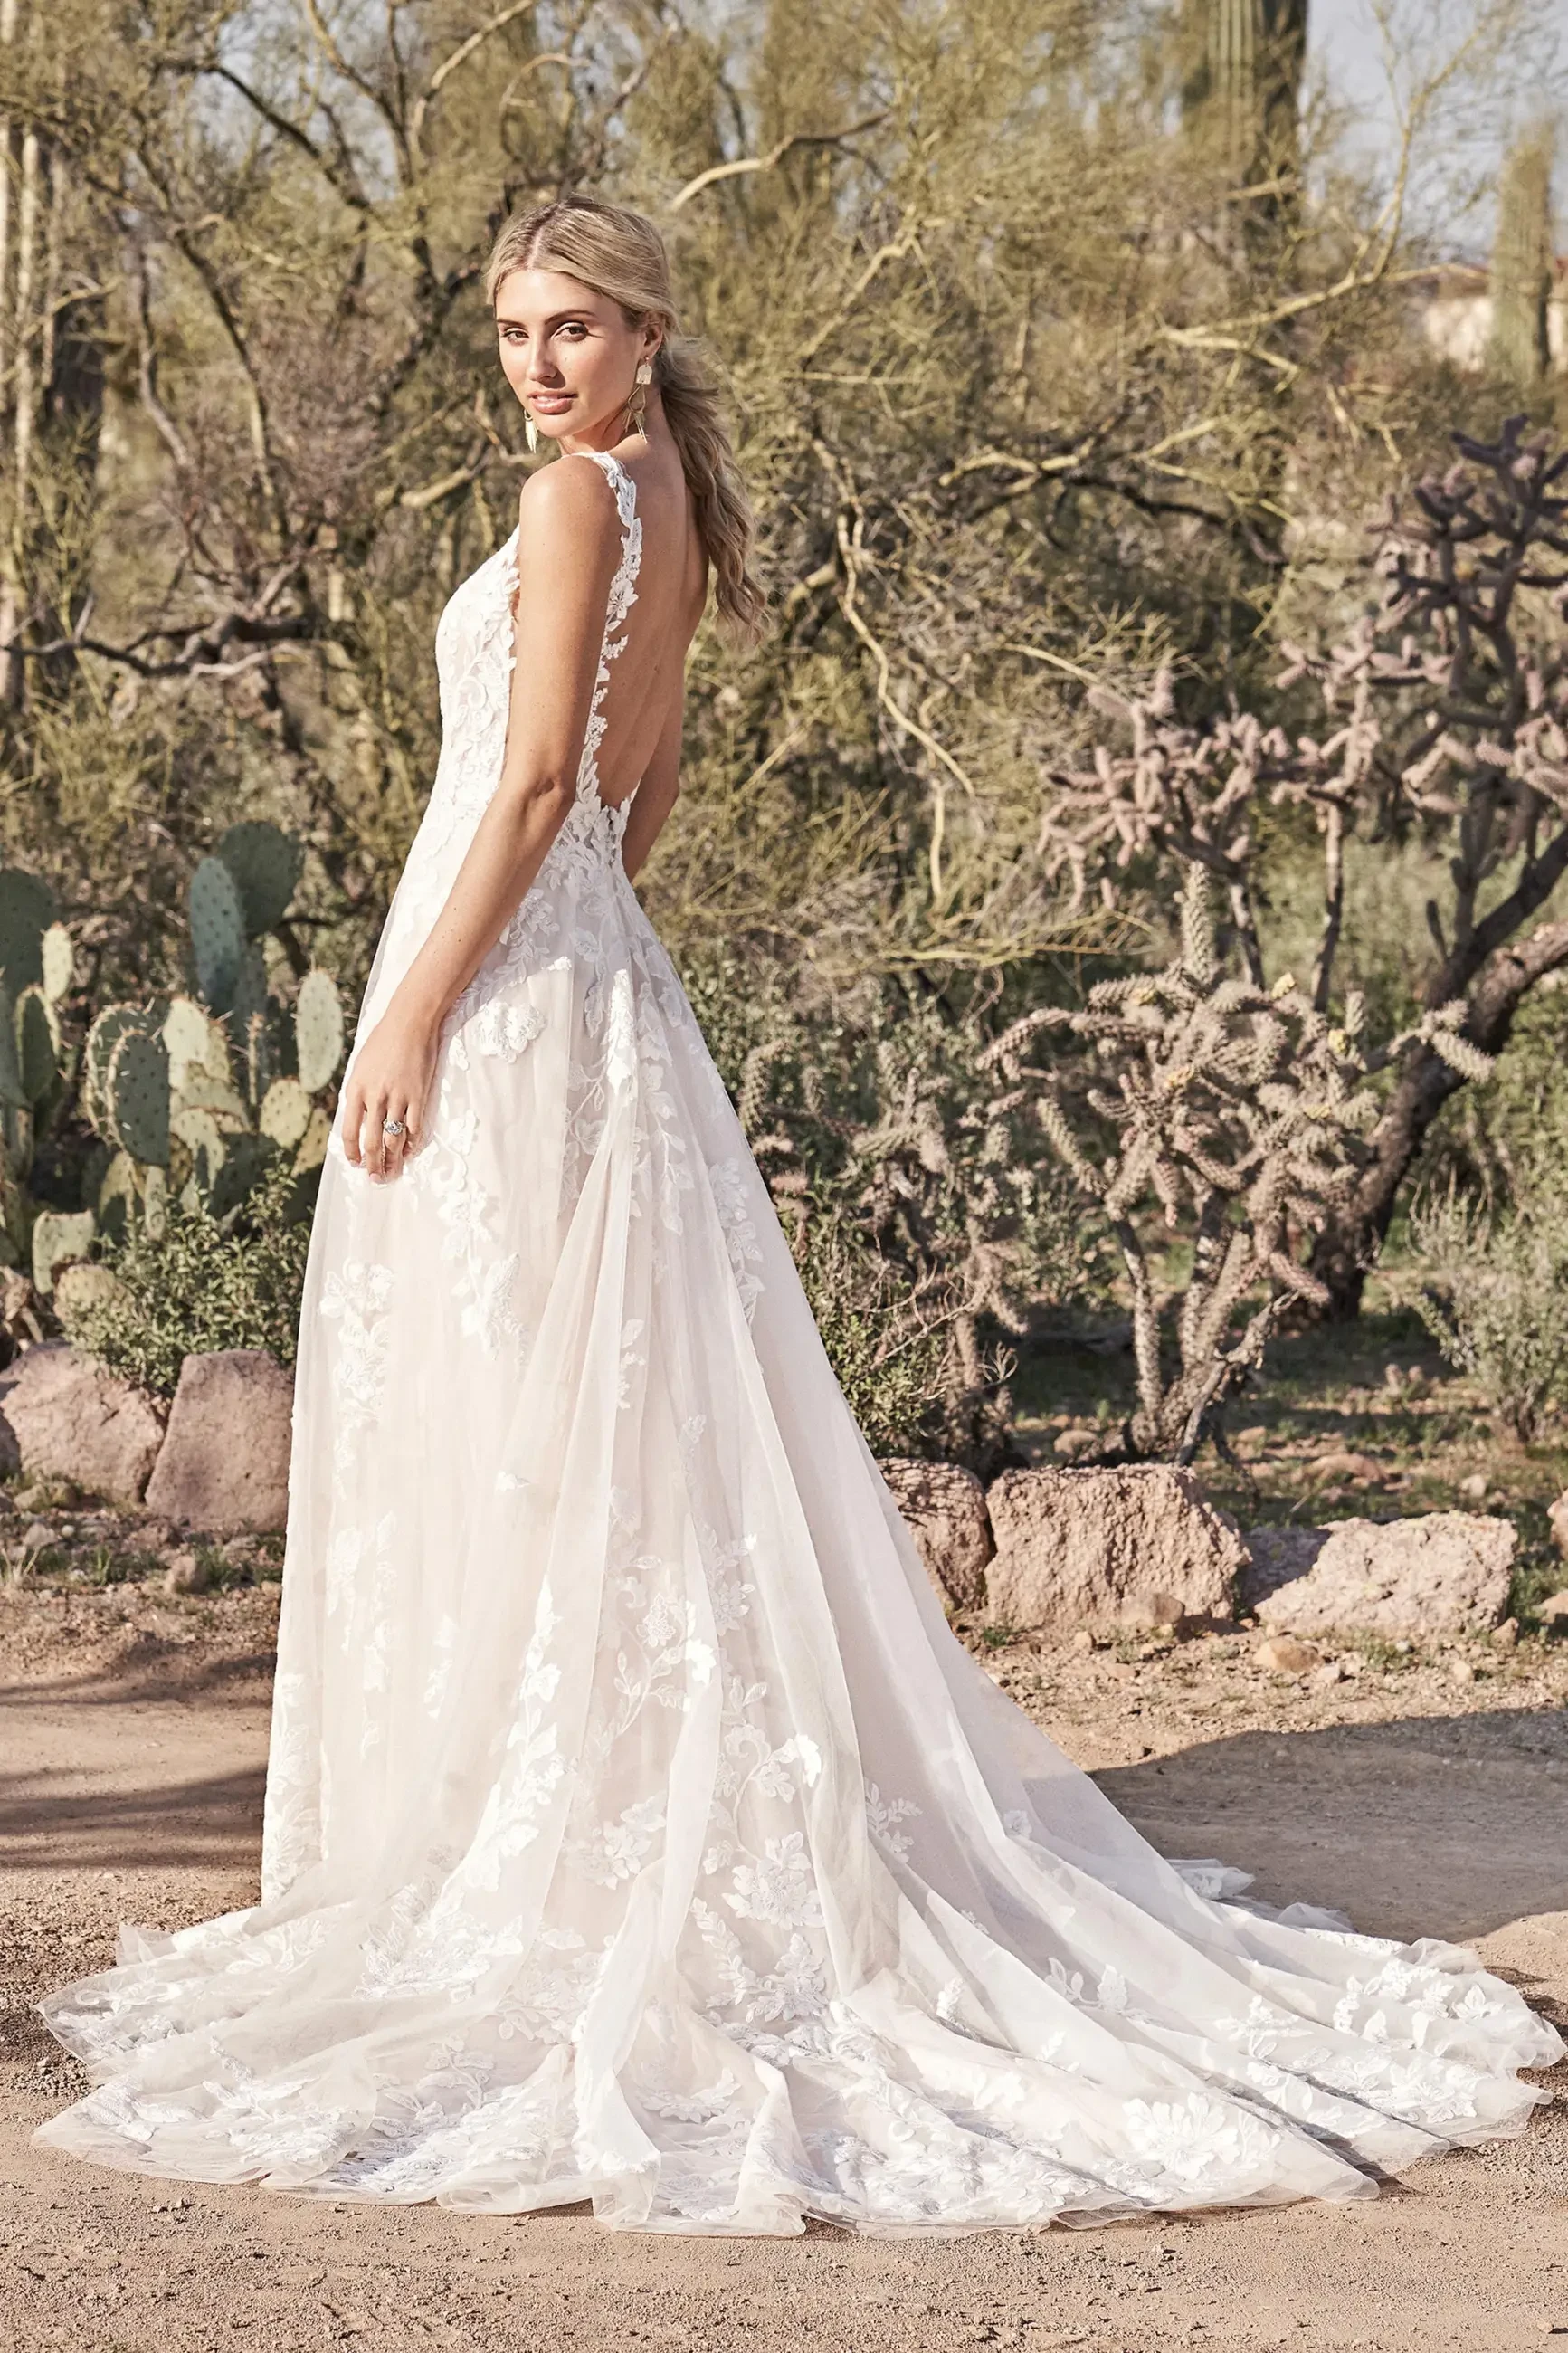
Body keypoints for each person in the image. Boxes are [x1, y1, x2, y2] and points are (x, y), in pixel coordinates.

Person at [34, 196, 1562, 2236]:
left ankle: (531, 1845)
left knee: (514, 1428)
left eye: (570, 327)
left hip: (492, 982)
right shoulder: (663, 488)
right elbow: (627, 790)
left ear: (647, 332)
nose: (536, 364)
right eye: (511, 331)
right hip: (578, 975)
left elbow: (518, 800)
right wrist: (592, 941)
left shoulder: (578, 490)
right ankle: (583, 1808)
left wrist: (407, 1013)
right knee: (594, 1433)